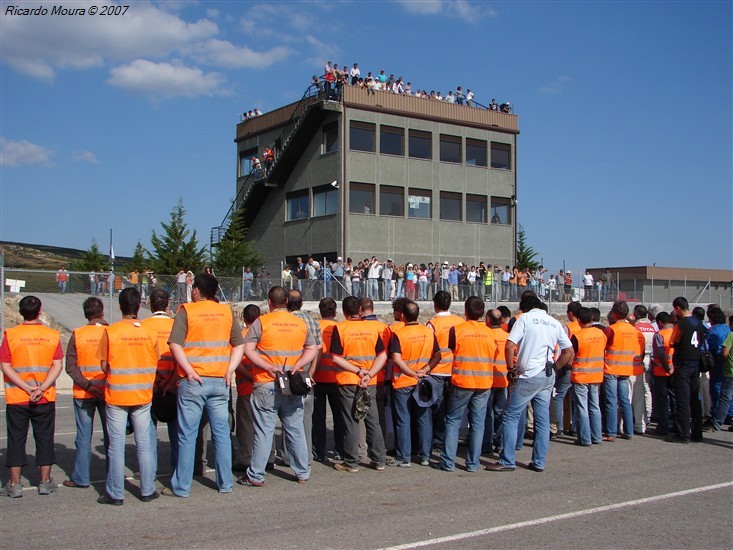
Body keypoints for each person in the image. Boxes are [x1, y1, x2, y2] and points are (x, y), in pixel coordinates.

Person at [164, 273, 246, 497]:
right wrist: (229, 370)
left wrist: (188, 370)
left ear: (197, 290)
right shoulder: (226, 311)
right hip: (220, 381)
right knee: (221, 434)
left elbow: (175, 345)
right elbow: (239, 345)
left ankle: (181, 487)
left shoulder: (187, 311)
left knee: (187, 434)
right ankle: (225, 483)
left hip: (194, 382)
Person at [486, 296, 573, 473]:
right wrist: (555, 367)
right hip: (546, 375)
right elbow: (568, 351)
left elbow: (510, 345)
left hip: (527, 375)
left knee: (511, 416)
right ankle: (539, 461)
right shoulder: (554, 322)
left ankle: (507, 459)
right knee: (542, 420)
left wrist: (511, 368)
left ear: (524, 307)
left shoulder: (524, 319)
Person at [240, 287, 317, 486]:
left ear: (270, 302)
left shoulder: (261, 322)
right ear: (286, 303)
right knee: (295, 429)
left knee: (264, 431)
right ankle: (302, 472)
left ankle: (256, 475)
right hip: (292, 383)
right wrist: (300, 365)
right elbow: (312, 348)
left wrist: (266, 365)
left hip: (266, 382)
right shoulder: (299, 323)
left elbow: (248, 349)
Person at [97, 288, 159, 505]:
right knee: (144, 444)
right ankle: (147, 490)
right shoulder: (149, 332)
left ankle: (116, 493)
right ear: (138, 307)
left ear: (121, 306)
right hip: (142, 394)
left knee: (115, 445)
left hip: (117, 395)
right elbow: (155, 359)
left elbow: (104, 365)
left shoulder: (110, 332)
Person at [1, 296, 64, 497]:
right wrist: (41, 388)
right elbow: (57, 365)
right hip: (44, 396)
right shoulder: (52, 335)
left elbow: (5, 366)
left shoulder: (11, 335)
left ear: (21, 311)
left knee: (16, 438)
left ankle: (14, 483)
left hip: (17, 396)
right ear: (40, 310)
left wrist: (26, 388)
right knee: (45, 437)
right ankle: (45, 481)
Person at [330, 296, 387, 473]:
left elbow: (336, 357)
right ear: (361, 311)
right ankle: (379, 460)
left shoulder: (340, 328)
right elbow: (382, 355)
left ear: (344, 312)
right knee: (373, 420)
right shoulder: (371, 328)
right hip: (369, 381)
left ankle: (352, 461)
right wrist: (370, 373)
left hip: (348, 380)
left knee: (351, 421)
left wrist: (357, 371)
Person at [440, 297, 497, 472]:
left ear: (465, 311)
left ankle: (448, 462)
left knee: (453, 420)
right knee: (478, 423)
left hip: (462, 381)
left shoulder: (457, 330)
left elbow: (452, 350)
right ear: (482, 313)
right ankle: (473, 463)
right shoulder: (490, 332)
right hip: (484, 382)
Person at [63, 297, 109, 489]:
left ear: (86, 315)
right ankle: (113, 475)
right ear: (102, 312)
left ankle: (81, 477)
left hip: (84, 393)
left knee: (83, 436)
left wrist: (87, 386)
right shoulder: (111, 332)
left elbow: (71, 367)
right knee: (111, 436)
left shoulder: (78, 334)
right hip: (107, 391)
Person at [390, 301, 441, 467]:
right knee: (424, 419)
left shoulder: (399, 333)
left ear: (402, 315)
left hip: (403, 382)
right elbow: (437, 355)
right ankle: (425, 455)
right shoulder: (428, 332)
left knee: (403, 420)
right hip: (422, 381)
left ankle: (404, 457)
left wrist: (411, 373)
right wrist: (424, 370)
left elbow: (396, 359)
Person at [140, 289, 179, 472]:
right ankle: (177, 469)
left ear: (150, 304)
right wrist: (169, 381)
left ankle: (149, 471)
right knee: (177, 433)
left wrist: (158, 380)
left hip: (151, 385)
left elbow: (142, 358)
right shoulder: (177, 325)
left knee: (148, 433)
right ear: (168, 304)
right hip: (175, 384)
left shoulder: (143, 326)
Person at [234, 304, 275, 472]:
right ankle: (269, 457)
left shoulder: (241, 337)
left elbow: (236, 362)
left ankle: (245, 457)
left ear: (244, 318)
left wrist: (248, 376)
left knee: (245, 425)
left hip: (246, 386)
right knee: (266, 423)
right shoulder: (264, 334)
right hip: (265, 382)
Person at [285, 289, 322, 465]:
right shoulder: (313, 321)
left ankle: (289, 456)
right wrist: (311, 373)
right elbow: (317, 350)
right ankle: (306, 456)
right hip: (307, 374)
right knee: (307, 418)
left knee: (288, 416)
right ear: (301, 303)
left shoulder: (286, 322)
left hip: (289, 374)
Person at [425, 291, 463, 450]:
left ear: (435, 305)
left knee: (438, 408)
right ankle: (451, 438)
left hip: (438, 371)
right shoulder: (460, 321)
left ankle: (440, 441)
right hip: (455, 369)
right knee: (453, 408)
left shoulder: (432, 324)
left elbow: (429, 349)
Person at [603, 300, 644, 441]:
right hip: (626, 369)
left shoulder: (611, 329)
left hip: (612, 368)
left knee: (611, 401)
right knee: (625, 401)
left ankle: (611, 432)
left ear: (614, 314)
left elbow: (604, 346)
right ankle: (629, 431)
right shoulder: (634, 331)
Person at [666, 297, 705, 443]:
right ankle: (697, 433)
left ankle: (683, 434)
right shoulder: (699, 323)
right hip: (695, 365)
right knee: (695, 400)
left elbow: (672, 341)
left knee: (683, 400)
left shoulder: (681, 324)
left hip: (682, 365)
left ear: (677, 308)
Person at [312, 298, 345, 462]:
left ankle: (318, 451)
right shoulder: (340, 327)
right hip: (337, 378)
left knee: (318, 417)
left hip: (318, 378)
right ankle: (340, 449)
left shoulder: (315, 326)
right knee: (339, 417)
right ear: (335, 310)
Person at [570, 307, 606, 446]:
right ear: (591, 319)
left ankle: (585, 438)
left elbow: (571, 355)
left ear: (578, 320)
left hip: (581, 375)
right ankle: (597, 436)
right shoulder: (601, 334)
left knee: (582, 408)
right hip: (596, 374)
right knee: (595, 406)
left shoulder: (577, 336)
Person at [483, 309, 509, 454]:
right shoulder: (508, 337)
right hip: (503, 379)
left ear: (488, 320)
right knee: (501, 413)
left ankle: (486, 444)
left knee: (487, 414)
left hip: (487, 379)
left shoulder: (485, 336)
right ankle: (500, 443)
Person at [706, 314, 733, 432]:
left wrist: (721, 360)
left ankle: (717, 424)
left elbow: (724, 353)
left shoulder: (731, 336)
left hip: (730, 370)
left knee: (724, 398)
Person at [632, 304, 655, 434]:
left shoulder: (636, 328)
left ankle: (639, 420)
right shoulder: (652, 328)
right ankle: (648, 415)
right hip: (651, 358)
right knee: (648, 390)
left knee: (639, 392)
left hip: (639, 359)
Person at [651, 311, 675, 435]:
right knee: (674, 398)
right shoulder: (675, 332)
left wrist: (666, 367)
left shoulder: (659, 335)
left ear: (659, 322)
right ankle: (676, 424)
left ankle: (663, 426)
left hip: (661, 371)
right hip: (674, 369)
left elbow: (661, 354)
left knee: (662, 400)